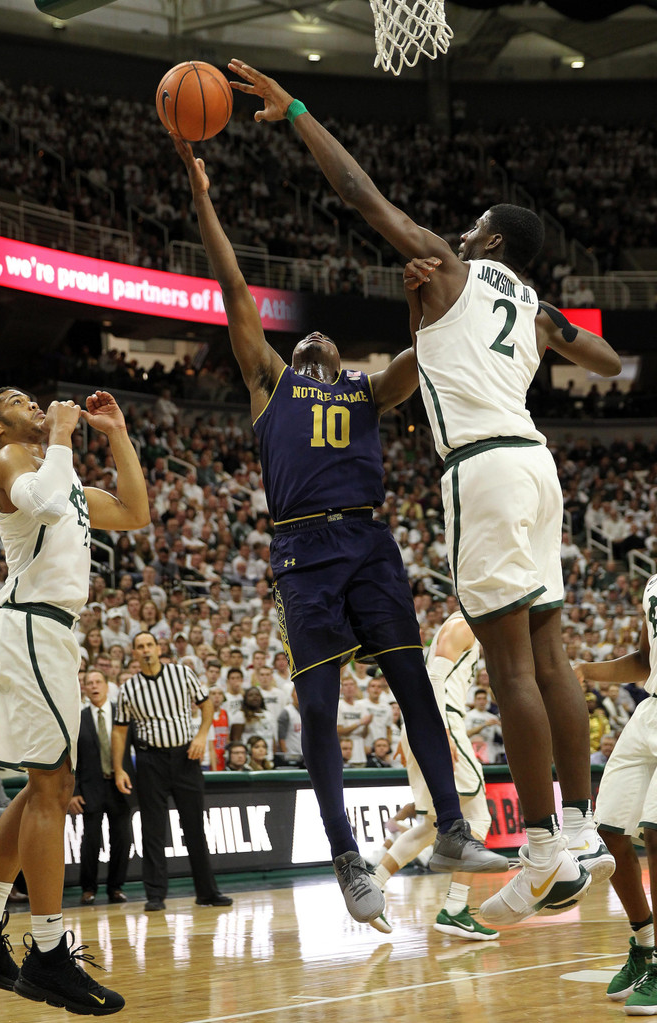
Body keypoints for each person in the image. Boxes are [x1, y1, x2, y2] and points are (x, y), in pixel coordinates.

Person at [224, 58, 621, 924]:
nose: (464, 230)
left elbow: (363, 194)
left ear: (490, 238)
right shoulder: (534, 305)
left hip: (480, 464)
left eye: (476, 225)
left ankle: (547, 850)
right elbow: (605, 360)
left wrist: (294, 109)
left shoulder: (452, 264)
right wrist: (558, 332)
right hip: (538, 461)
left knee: (512, 662)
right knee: (550, 654)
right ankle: (583, 828)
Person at [172, 131, 505, 930]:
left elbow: (423, 358)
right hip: (304, 552)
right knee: (318, 708)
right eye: (304, 338)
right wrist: (203, 200)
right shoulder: (268, 384)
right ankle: (347, 857)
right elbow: (233, 289)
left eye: (327, 338)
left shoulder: (364, 390)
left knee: (413, 684)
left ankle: (454, 832)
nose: (313, 338)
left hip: (368, 542)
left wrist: (420, 295)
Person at [0, 387, 148, 1016]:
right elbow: (48, 498)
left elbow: (135, 511)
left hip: (52, 632)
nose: (35, 404)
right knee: (54, 787)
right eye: (17, 402)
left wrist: (115, 434)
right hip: (30, 625)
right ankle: (49, 952)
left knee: (40, 789)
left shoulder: (58, 471)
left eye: (35, 400)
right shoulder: (11, 463)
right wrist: (59, 433)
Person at [368, 612, 503, 939]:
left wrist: (409, 732)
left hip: (424, 721)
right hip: (444, 722)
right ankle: (455, 909)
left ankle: (370, 888)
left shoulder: (462, 629)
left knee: (432, 824)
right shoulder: (463, 626)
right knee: (478, 817)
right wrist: (438, 732)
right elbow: (435, 679)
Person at [573, 576, 657, 1011]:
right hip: (649, 711)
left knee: (656, 832)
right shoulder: (652, 585)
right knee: (608, 831)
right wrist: (588, 670)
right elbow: (646, 660)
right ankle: (645, 944)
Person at [112, 631, 232, 913]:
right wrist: (118, 768)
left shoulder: (182, 674)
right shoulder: (129, 689)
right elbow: (118, 732)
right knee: (153, 829)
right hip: (150, 760)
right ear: (134, 653)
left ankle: (207, 892)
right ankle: (155, 895)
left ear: (158, 647)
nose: (145, 650)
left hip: (185, 757)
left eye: (149, 644)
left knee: (194, 827)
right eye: (139, 646)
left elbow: (207, 705)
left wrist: (202, 736)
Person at [69, 669, 132, 906]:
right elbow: (71, 759)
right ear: (84, 689)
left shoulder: (122, 715)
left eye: (98, 682)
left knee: (122, 840)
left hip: (120, 786)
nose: (94, 686)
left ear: (108, 686)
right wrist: (73, 792)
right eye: (89, 683)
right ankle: (88, 888)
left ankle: (116, 887)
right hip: (90, 788)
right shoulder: (79, 718)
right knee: (91, 841)